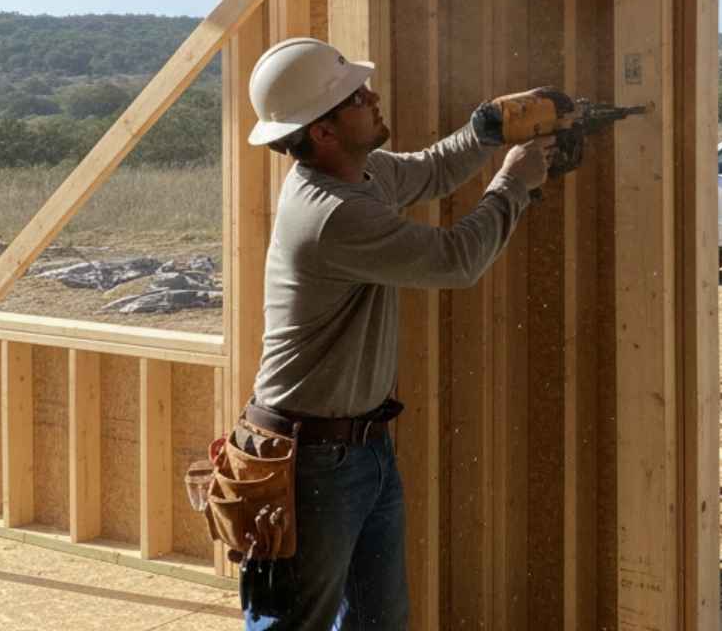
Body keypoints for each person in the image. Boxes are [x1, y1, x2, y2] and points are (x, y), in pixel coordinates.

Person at [236, 36, 551, 630]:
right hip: (310, 461)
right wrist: (514, 183)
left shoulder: (362, 172)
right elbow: (455, 259)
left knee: (379, 621)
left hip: (360, 447)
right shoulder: (332, 214)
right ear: (323, 131)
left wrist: (486, 128)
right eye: (357, 96)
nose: (373, 95)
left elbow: (430, 171)